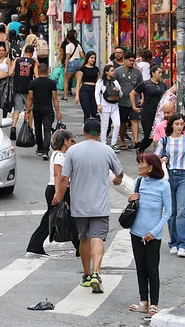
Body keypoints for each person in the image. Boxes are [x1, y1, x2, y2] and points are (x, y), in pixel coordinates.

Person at [53, 117, 124, 294]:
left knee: (83, 238)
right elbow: (120, 173)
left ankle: (86, 275)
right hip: (99, 205)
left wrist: (59, 197)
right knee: (98, 238)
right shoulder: (107, 150)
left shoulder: (73, 151)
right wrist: (117, 179)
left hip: (79, 205)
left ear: (83, 132)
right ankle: (96, 274)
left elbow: (64, 178)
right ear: (100, 133)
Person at [128, 152, 172, 316]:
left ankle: (154, 303)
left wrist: (154, 232)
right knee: (140, 267)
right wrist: (130, 199)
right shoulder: (139, 181)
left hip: (154, 234)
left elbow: (168, 212)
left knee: (152, 268)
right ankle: (143, 301)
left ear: (151, 167)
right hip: (136, 231)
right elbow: (134, 204)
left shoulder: (164, 185)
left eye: (142, 163)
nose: (139, 166)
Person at [154, 114, 185, 258]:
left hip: (183, 177)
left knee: (182, 210)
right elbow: (155, 158)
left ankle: (182, 245)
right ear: (171, 125)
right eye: (177, 124)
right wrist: (161, 159)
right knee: (172, 211)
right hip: (168, 176)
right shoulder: (164, 141)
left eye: (182, 124)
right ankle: (173, 242)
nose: (180, 127)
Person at [26, 129, 80, 256]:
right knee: (68, 218)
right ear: (65, 141)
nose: (74, 142)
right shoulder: (60, 156)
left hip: (56, 189)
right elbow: (58, 175)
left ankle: (35, 244)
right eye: (72, 140)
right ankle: (80, 248)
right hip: (58, 189)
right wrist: (58, 194)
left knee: (52, 218)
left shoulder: (60, 154)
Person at [26, 63, 63, 159]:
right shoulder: (51, 83)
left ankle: (40, 148)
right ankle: (46, 151)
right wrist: (58, 111)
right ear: (47, 71)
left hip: (37, 109)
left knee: (37, 129)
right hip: (48, 109)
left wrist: (26, 111)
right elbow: (55, 98)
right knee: (47, 130)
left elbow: (30, 97)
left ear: (38, 71)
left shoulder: (33, 83)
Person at [131, 64, 167, 151]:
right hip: (147, 112)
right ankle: (140, 149)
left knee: (159, 134)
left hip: (159, 112)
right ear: (153, 73)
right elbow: (132, 94)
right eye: (159, 72)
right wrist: (134, 106)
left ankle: (158, 151)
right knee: (149, 135)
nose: (161, 74)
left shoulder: (162, 85)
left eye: (161, 73)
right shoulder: (145, 84)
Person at [9, 45, 38, 140]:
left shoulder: (17, 60)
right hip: (29, 89)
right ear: (33, 53)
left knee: (17, 109)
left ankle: (13, 126)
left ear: (24, 51)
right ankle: (30, 128)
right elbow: (37, 76)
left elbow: (10, 73)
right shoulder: (33, 62)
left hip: (18, 88)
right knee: (30, 109)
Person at [115, 52, 143, 148]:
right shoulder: (118, 71)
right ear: (125, 60)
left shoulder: (137, 72)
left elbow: (141, 86)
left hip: (134, 101)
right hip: (122, 101)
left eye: (133, 61)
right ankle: (122, 140)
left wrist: (142, 98)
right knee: (122, 122)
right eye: (130, 60)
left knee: (134, 120)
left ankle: (136, 140)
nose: (131, 63)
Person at [96, 64, 123, 151]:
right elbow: (97, 93)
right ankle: (103, 143)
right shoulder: (101, 82)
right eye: (111, 71)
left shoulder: (115, 82)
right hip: (104, 106)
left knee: (117, 124)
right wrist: (98, 104)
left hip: (114, 106)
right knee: (104, 125)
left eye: (113, 70)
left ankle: (113, 143)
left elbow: (121, 94)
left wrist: (118, 91)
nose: (113, 72)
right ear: (106, 72)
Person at [74, 50, 99, 121]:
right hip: (85, 89)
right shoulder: (82, 69)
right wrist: (77, 96)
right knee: (87, 111)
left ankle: (94, 128)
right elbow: (78, 83)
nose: (93, 60)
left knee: (94, 111)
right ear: (87, 58)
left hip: (94, 89)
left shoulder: (96, 69)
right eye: (91, 58)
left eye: (94, 58)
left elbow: (98, 81)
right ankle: (85, 128)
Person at [63, 30, 83, 100]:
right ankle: (79, 95)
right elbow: (82, 55)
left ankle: (65, 96)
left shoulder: (68, 46)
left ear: (68, 39)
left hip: (71, 63)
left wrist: (65, 68)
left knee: (66, 80)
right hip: (78, 62)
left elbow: (67, 57)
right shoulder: (78, 45)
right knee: (78, 81)